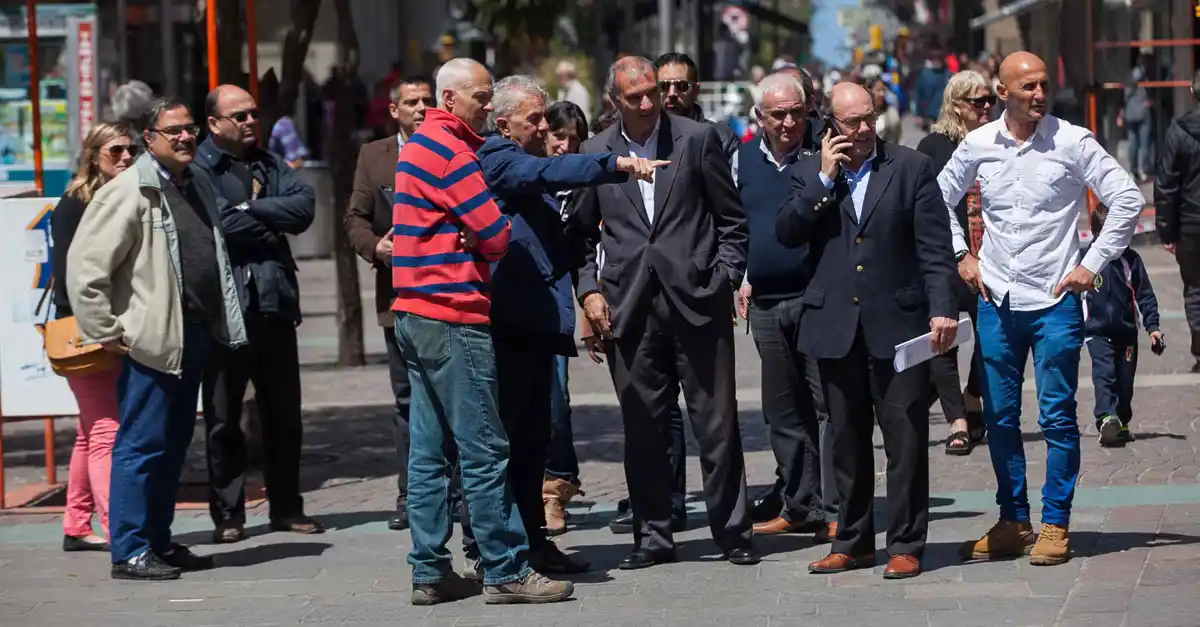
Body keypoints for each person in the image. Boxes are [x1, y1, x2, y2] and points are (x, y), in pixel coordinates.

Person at [938, 52, 1143, 566]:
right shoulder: (979, 143)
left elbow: (1127, 198)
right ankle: (1013, 521)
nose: (1038, 93)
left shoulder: (1071, 140)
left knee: (1056, 417)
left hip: (1055, 303)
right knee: (1001, 419)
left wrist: (1092, 264)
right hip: (997, 302)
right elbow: (935, 198)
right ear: (1001, 93)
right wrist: (962, 253)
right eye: (1026, 86)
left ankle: (1055, 524)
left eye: (1043, 84)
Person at [391, 58, 572, 605]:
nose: (488, 106)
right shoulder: (453, 153)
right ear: (450, 101)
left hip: (412, 312)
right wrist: (479, 233)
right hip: (453, 313)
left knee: (426, 453)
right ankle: (505, 568)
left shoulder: (417, 148)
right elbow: (495, 235)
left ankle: (429, 570)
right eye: (480, 96)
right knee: (485, 449)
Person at [569, 56, 759, 570]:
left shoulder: (696, 140)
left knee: (717, 426)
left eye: (653, 92)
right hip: (629, 309)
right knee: (644, 428)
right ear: (615, 101)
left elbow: (732, 220)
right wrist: (590, 291)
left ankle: (732, 532)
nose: (649, 103)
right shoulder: (594, 153)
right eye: (636, 97)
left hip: (697, 302)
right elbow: (581, 236)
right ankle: (653, 536)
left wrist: (722, 276)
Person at [477, 75, 664, 574]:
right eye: (534, 119)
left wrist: (593, 293)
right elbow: (553, 173)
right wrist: (616, 163)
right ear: (503, 124)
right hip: (509, 325)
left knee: (535, 440)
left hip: (538, 325)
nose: (544, 126)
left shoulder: (527, 160)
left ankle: (534, 541)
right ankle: (496, 549)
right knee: (507, 441)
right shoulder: (498, 157)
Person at [776, 82, 958, 580]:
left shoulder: (910, 167)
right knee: (846, 442)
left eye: (867, 120)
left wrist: (941, 308)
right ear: (829, 125)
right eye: (850, 123)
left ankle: (905, 542)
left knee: (905, 440)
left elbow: (935, 247)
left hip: (898, 326)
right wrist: (823, 181)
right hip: (835, 327)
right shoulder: (806, 173)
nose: (860, 131)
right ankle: (851, 541)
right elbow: (787, 233)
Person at [68, 97, 248, 580]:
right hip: (151, 340)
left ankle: (158, 541)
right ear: (149, 140)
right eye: (173, 131)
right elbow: (87, 271)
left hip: (193, 334)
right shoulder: (129, 192)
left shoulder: (197, 184)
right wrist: (107, 332)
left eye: (190, 129)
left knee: (171, 444)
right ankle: (129, 550)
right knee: (141, 444)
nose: (186, 137)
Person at [195, 85, 320, 543]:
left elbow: (304, 208)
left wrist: (251, 209)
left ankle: (287, 507)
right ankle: (228, 515)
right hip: (228, 310)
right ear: (214, 123)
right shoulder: (201, 168)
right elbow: (220, 224)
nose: (250, 122)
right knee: (224, 417)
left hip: (275, 302)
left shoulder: (269, 164)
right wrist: (269, 223)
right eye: (239, 116)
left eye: (253, 114)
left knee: (284, 414)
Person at [731, 73, 837, 544]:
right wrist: (744, 277)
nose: (790, 121)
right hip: (768, 302)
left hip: (818, 298)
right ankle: (801, 505)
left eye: (797, 111)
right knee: (783, 411)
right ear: (760, 118)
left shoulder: (826, 153)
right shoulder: (741, 159)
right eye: (779, 114)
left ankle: (837, 509)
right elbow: (738, 223)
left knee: (828, 407)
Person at [344, 74, 438, 532]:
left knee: (455, 397)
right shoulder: (375, 156)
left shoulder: (454, 148)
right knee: (407, 400)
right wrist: (376, 247)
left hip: (448, 294)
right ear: (394, 110)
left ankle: (457, 492)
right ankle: (412, 495)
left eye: (428, 101)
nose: (422, 108)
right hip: (396, 297)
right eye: (412, 102)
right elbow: (355, 219)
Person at [51, 122, 138, 553]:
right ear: (93, 155)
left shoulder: (108, 197)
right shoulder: (77, 203)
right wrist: (96, 325)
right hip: (86, 332)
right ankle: (118, 530)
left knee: (91, 432)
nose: (125, 158)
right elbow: (72, 276)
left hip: (96, 329)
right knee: (107, 430)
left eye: (131, 151)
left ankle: (76, 524)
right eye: (115, 151)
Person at [916, 70, 994, 455]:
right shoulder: (933, 147)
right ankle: (957, 422)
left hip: (992, 260)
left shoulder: (998, 143)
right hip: (945, 256)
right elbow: (924, 206)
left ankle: (973, 395)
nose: (985, 108)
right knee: (943, 340)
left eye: (989, 101)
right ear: (956, 105)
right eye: (977, 101)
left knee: (994, 340)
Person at [542, 100, 592, 536]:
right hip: (523, 297)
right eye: (559, 135)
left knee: (556, 396)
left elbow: (586, 248)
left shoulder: (585, 183)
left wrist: (589, 304)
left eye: (576, 138)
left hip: (560, 298)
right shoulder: (526, 176)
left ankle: (556, 487)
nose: (566, 145)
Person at [1084, 205, 1163, 447]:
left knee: (1125, 381)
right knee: (1103, 375)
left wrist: (1153, 327)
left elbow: (1145, 295)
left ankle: (1122, 420)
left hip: (1127, 331)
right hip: (1096, 331)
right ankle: (1106, 419)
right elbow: (1072, 293)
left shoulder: (1132, 260)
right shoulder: (1086, 259)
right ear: (1097, 234)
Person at [1153, 70, 1200, 373]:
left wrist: (1166, 230)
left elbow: (1167, 184)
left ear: (1193, 91)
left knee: (1196, 288)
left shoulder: (1179, 131)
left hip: (1191, 224)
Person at [655, 52, 740, 164]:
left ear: (696, 90)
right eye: (664, 86)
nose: (672, 93)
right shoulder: (644, 138)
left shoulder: (722, 138)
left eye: (682, 86)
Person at [915, 53, 951, 130]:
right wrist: (918, 114)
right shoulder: (925, 75)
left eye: (939, 59)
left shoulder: (948, 75)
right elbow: (919, 95)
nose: (937, 61)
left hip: (945, 115)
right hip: (929, 115)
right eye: (935, 59)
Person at [871, 77, 902, 144]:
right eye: (878, 90)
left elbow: (896, 136)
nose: (882, 94)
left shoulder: (892, 112)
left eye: (883, 90)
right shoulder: (862, 113)